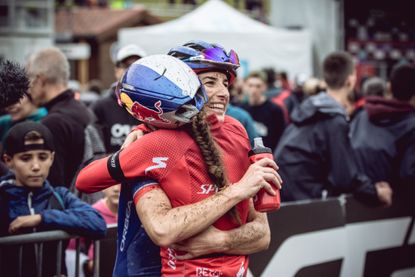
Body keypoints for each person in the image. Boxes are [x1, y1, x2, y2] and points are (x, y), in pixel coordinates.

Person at [77, 44, 281, 276]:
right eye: (210, 82)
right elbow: (162, 229)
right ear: (182, 85)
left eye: (225, 83)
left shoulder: (235, 130)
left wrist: (220, 240)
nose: (224, 93)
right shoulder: (155, 142)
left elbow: (262, 235)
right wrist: (127, 152)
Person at [274, 51, 392, 205]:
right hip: (307, 201)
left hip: (285, 194)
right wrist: (374, 193)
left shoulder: (309, 108)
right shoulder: (334, 119)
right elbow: (344, 177)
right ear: (350, 80)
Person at [0, 121, 106, 277]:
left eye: (42, 157)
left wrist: (41, 218)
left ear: (52, 158)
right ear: (9, 161)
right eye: (26, 158)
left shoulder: (60, 196)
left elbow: (98, 223)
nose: (36, 166)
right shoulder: (3, 197)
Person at [26, 47, 95, 188]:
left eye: (29, 79)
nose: (28, 88)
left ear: (40, 80)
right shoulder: (84, 110)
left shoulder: (52, 123)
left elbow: (54, 185)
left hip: (66, 205)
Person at [350, 64, 415, 195]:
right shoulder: (411, 125)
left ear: (389, 87)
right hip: (394, 206)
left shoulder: (362, 115)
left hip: (355, 197)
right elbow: (409, 175)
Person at [91, 44, 146, 154]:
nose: (132, 70)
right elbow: (94, 152)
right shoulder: (100, 107)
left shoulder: (152, 106)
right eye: (127, 65)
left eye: (137, 66)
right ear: (117, 70)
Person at [240, 71, 286, 151]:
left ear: (264, 87)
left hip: (269, 156)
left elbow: (282, 138)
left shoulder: (275, 110)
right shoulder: (241, 109)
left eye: (258, 86)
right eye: (250, 85)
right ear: (245, 86)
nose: (254, 90)